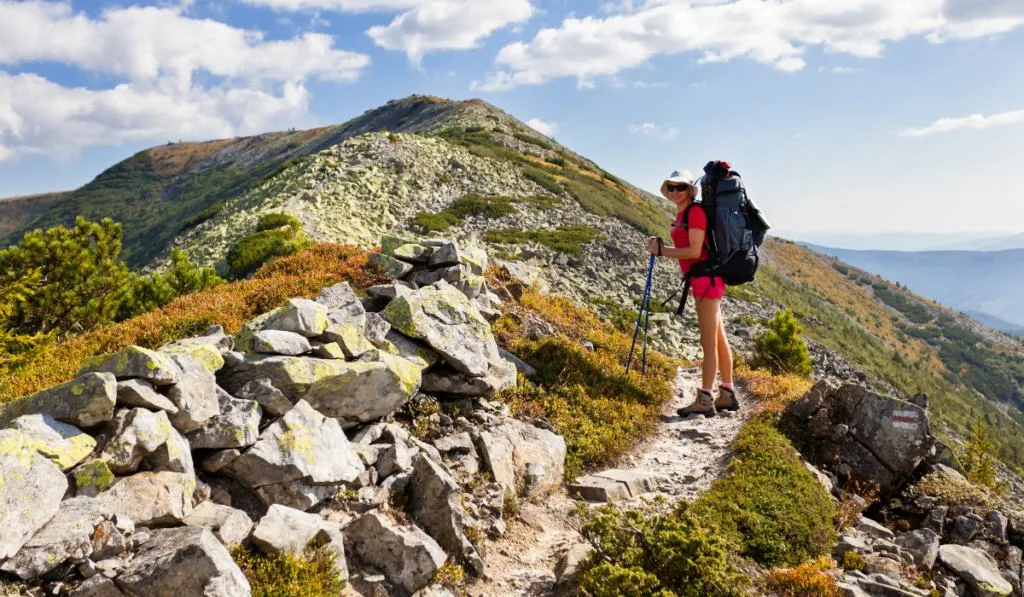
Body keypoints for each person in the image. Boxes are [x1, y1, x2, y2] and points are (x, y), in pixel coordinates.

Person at [646, 169, 738, 417]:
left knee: (708, 342)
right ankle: (727, 394)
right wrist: (664, 246)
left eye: (681, 187)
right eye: (672, 187)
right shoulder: (684, 213)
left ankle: (705, 399)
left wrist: (663, 252)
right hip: (705, 280)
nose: (676, 192)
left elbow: (695, 251)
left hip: (706, 280)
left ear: (690, 190)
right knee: (718, 338)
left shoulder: (695, 212)